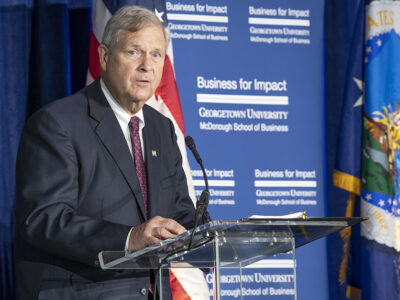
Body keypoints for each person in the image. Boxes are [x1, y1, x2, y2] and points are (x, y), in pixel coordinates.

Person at [15, 6, 197, 300]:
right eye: (134, 52)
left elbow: (182, 213)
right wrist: (129, 238)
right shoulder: (57, 124)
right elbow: (44, 218)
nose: (147, 66)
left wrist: (207, 233)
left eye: (156, 54)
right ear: (104, 56)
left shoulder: (162, 128)